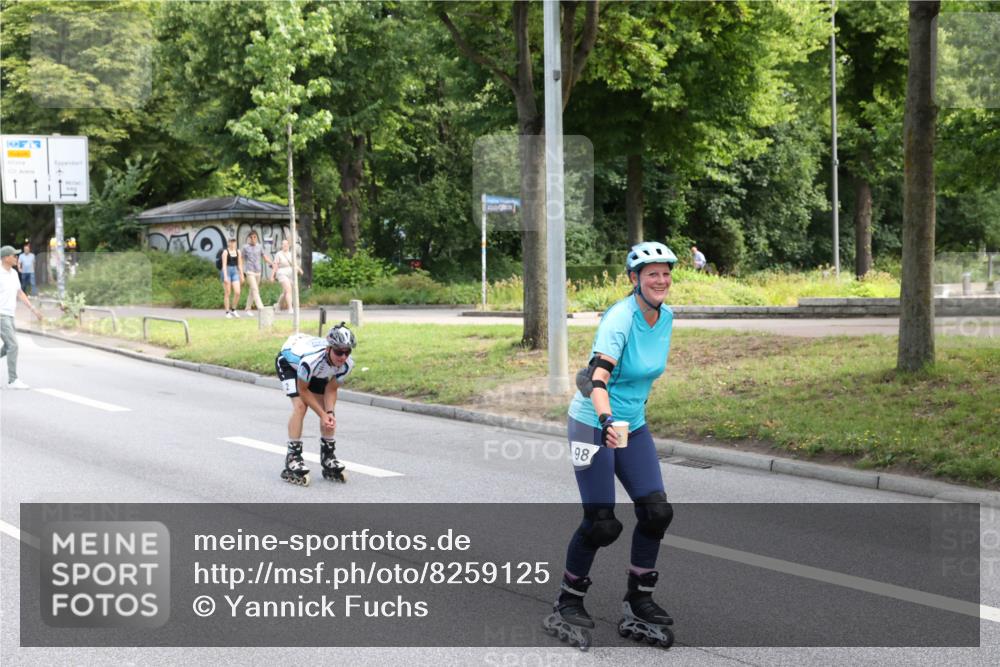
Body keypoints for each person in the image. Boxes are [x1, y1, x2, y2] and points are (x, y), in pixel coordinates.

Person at [543, 241, 678, 650]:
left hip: (631, 426)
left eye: (666, 273)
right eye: (651, 273)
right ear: (634, 279)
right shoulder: (619, 319)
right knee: (602, 522)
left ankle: (639, 600)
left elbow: (643, 375)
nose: (660, 280)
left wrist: (629, 416)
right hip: (593, 424)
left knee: (656, 512)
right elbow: (595, 378)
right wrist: (605, 420)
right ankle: (568, 599)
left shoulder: (666, 317)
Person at [274, 323, 356, 486]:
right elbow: (303, 390)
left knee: (328, 412)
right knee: (300, 406)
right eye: (339, 351)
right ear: (329, 348)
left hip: (319, 369)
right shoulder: (311, 361)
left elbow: (331, 389)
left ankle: (328, 457)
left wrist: (329, 413)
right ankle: (293, 457)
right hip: (289, 363)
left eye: (347, 352)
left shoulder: (347, 364)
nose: (343, 357)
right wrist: (322, 414)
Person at [1, 246, 43, 389]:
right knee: (13, 345)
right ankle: (13, 380)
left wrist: (33, 309)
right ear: (6, 258)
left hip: (10, 314)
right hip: (1, 315)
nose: (16, 258)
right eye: (14, 255)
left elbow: (20, 293)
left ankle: (13, 380)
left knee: (8, 346)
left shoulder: (13, 274)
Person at [241, 231, 271, 316]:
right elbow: (241, 259)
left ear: (256, 238)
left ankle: (247, 309)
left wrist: (271, 263)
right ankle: (261, 309)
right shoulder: (245, 247)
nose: (253, 239)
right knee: (255, 289)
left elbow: (264, 257)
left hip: (258, 272)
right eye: (251, 237)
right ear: (249, 238)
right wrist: (240, 270)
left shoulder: (259, 247)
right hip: (249, 271)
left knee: (252, 291)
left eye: (255, 237)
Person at [271, 238, 302, 314]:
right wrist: (272, 276)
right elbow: (275, 265)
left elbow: (294, 264)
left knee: (285, 292)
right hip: (282, 273)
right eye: (283, 244)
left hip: (291, 274)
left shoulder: (291, 254)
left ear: (289, 245)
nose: (285, 246)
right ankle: (290, 308)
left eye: (286, 244)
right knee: (288, 290)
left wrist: (300, 270)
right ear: (281, 245)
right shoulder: (279, 254)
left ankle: (277, 305)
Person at [220, 237, 243, 318]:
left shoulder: (238, 252)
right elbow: (224, 265)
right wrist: (225, 276)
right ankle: (227, 312)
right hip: (227, 271)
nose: (232, 243)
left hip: (235, 271)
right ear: (228, 243)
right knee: (228, 292)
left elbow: (240, 264)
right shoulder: (225, 252)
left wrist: (242, 275)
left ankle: (233, 309)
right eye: (231, 241)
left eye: (234, 241)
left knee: (237, 292)